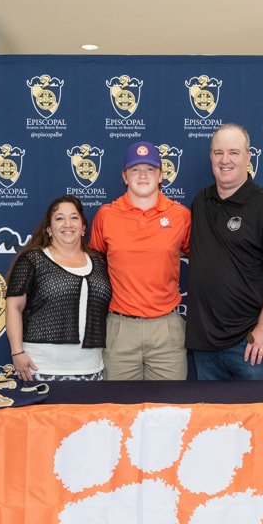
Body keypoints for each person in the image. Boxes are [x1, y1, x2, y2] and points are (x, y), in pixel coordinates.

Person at [185, 124, 263, 380]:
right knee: (213, 420)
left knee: (258, 419)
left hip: (250, 344)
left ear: (248, 156)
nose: (225, 160)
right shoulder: (201, 202)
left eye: (234, 152)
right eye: (218, 153)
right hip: (205, 346)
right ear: (210, 157)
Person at [89, 141, 191, 380]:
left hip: (166, 328)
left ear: (161, 176)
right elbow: (93, 265)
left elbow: (201, 257)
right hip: (120, 328)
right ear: (125, 176)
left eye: (150, 169)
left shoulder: (181, 216)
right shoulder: (106, 215)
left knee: (169, 411)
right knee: (120, 413)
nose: (143, 175)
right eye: (135, 169)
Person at [5, 195, 112, 381]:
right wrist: (17, 353)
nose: (67, 224)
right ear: (49, 229)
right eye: (59, 218)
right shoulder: (33, 260)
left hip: (91, 369)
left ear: (83, 227)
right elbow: (13, 307)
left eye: (74, 217)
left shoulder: (100, 261)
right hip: (40, 368)